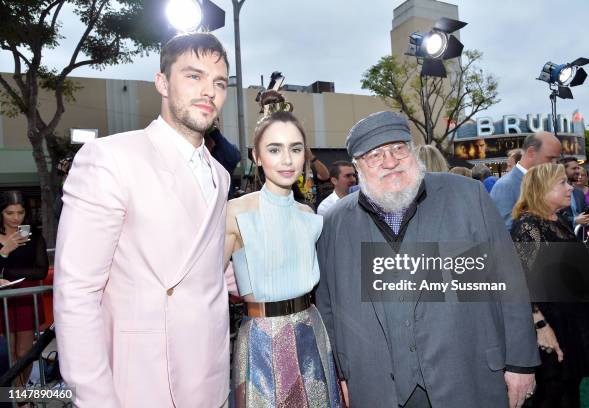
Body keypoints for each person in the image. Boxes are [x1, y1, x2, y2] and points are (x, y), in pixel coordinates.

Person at [54, 32, 237, 407]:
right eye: (193, 76)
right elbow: (77, 294)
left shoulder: (220, 175)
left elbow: (205, 272)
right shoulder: (110, 158)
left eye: (219, 82)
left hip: (210, 375)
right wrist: (95, 398)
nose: (209, 91)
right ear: (162, 82)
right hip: (141, 379)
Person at [316, 111, 539, 408]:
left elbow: (509, 280)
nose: (390, 161)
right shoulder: (334, 222)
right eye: (375, 155)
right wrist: (342, 374)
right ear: (357, 167)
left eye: (398, 148)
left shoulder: (468, 197)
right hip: (378, 387)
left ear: (412, 150)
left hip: (467, 377)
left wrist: (520, 363)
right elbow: (329, 308)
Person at [224, 111, 341, 407]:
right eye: (275, 149)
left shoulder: (310, 217)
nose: (287, 160)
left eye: (296, 149)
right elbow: (201, 286)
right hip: (261, 339)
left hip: (311, 333)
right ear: (257, 156)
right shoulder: (236, 212)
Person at [511, 163, 589, 407]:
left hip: (572, 322)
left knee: (570, 391)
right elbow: (520, 283)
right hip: (552, 325)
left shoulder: (558, 220)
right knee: (551, 395)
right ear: (541, 189)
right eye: (562, 182)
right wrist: (541, 325)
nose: (570, 187)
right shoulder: (529, 225)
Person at [0, 190, 48, 387]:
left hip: (26, 298)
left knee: (25, 354)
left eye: (20, 212)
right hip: (3, 301)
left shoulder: (34, 236)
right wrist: (4, 251)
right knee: (8, 354)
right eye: (9, 213)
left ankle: (20, 397)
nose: (15, 217)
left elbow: (41, 271)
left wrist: (5, 272)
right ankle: (18, 399)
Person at [491, 132, 562, 230]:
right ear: (531, 152)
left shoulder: (544, 181)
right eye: (550, 158)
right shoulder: (505, 186)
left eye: (556, 160)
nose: (554, 164)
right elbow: (505, 230)